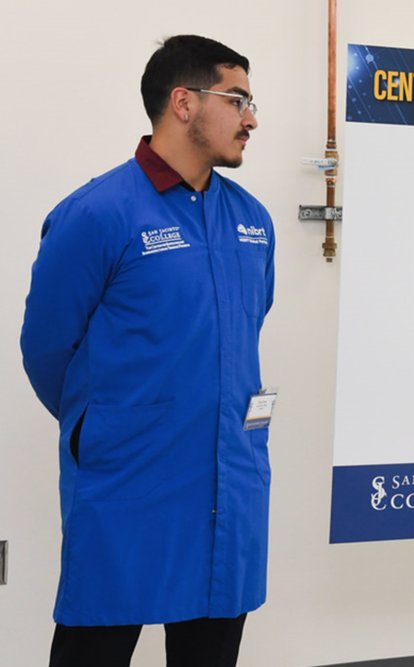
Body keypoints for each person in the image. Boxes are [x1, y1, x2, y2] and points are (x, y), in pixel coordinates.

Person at [20, 35, 274, 667]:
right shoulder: (98, 213)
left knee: (210, 645)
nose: (252, 118)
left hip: (227, 475)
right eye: (237, 98)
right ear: (183, 103)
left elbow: (246, 329)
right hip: (128, 481)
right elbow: (47, 348)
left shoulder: (253, 221)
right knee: (96, 643)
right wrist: (106, 427)